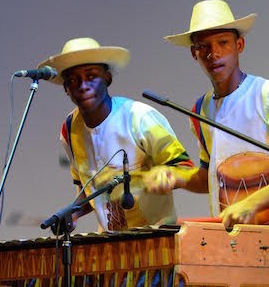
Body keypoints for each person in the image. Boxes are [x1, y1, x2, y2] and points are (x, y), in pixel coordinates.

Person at [147, 0, 269, 286]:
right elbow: (209, 177)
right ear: (194, 54)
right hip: (227, 253)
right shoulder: (200, 109)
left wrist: (253, 201)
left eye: (223, 42)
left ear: (239, 45)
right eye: (203, 47)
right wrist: (177, 177)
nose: (214, 54)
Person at [37, 37, 194, 233]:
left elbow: (185, 168)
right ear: (67, 89)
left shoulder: (140, 118)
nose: (83, 85)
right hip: (110, 243)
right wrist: (72, 213)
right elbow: (90, 191)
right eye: (74, 80)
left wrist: (164, 176)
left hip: (156, 238)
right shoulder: (69, 129)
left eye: (91, 76)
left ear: (107, 78)